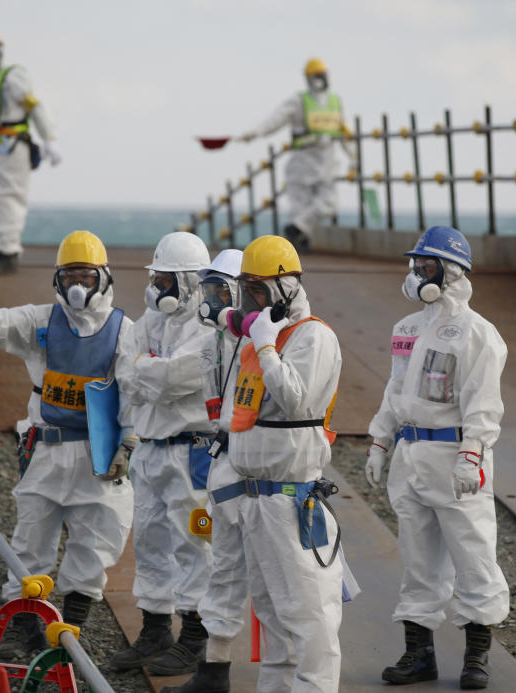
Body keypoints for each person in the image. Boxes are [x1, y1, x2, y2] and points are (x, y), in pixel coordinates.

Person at [0, 230, 134, 648]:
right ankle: (24, 618)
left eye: (85, 275)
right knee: (32, 535)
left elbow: (135, 389)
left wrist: (130, 441)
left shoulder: (125, 332)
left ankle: (76, 616)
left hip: (97, 450)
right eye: (69, 277)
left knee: (98, 534)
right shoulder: (43, 320)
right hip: (45, 446)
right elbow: (4, 323)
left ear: (103, 277)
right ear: (58, 280)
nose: (77, 286)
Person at [365, 225, 510, 690]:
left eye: (426, 266)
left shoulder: (478, 333)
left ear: (451, 272)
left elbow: (483, 402)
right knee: (417, 558)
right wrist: (380, 440)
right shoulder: (406, 329)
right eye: (416, 265)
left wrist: (473, 454)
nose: (417, 274)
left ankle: (476, 658)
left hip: (454, 459)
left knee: (474, 556)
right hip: (411, 458)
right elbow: (396, 389)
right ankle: (418, 655)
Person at [209, 235, 344, 692]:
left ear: (287, 287)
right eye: (248, 291)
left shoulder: (314, 336)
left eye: (261, 291)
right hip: (254, 500)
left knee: (308, 612)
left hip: (291, 500)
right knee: (270, 612)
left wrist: (266, 349)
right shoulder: (259, 339)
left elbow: (295, 399)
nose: (253, 302)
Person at [111, 232, 218, 677]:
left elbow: (177, 378)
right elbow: (124, 369)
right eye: (156, 277)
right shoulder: (150, 322)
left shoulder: (210, 328)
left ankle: (196, 635)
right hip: (152, 450)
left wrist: (147, 371)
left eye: (166, 279)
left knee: (196, 544)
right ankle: (156, 627)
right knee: (151, 541)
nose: (156, 287)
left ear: (192, 282)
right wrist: (150, 373)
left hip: (191, 454)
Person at [161, 248, 245, 693]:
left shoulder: (261, 343)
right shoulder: (215, 340)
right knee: (209, 552)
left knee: (269, 579)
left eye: (220, 291)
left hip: (256, 471)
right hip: (216, 461)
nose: (210, 300)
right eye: (208, 290)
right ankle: (208, 660)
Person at [0, 27, 62, 275]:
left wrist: (49, 138)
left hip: (12, 146)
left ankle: (7, 254)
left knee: (8, 198)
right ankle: (3, 250)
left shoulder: (12, 76)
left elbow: (34, 106)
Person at [238, 58, 356, 253]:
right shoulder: (300, 100)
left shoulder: (335, 101)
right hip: (303, 160)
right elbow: (277, 118)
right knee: (299, 205)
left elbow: (344, 132)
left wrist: (354, 159)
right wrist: (256, 132)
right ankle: (300, 242)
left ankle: (296, 229)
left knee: (329, 204)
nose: (319, 79)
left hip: (328, 160)